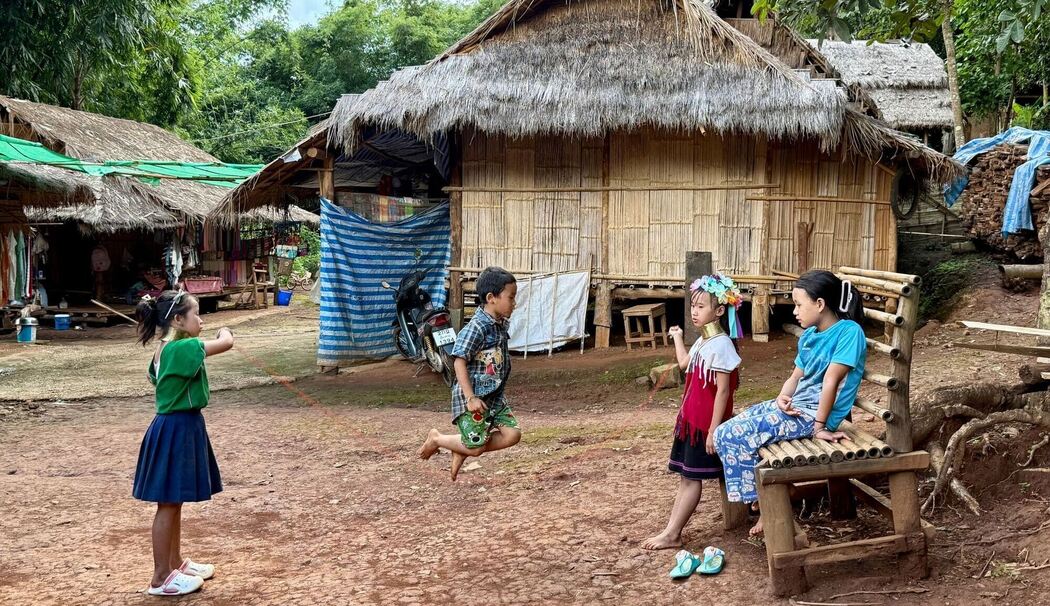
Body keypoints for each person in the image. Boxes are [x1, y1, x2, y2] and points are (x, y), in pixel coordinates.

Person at [714, 270, 865, 536]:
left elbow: (831, 382)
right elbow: (796, 377)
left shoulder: (849, 333)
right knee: (726, 430)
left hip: (810, 417)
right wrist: (783, 398)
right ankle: (777, 496)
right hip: (795, 409)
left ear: (820, 304)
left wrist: (819, 426)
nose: (794, 311)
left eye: (798, 304)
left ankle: (765, 506)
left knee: (731, 434)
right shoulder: (809, 336)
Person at [133, 290, 235, 596]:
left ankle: (174, 564)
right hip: (176, 428)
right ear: (178, 319)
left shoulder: (163, 349)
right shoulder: (185, 347)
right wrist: (225, 331)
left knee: (172, 500)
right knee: (167, 502)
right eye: (196, 314)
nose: (201, 320)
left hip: (176, 426)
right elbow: (226, 342)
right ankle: (161, 577)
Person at [642, 274, 743, 550]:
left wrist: (713, 431)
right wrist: (676, 337)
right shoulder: (704, 340)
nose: (694, 311)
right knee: (687, 477)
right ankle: (671, 531)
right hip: (691, 422)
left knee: (691, 479)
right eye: (693, 306)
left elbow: (724, 392)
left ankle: (673, 533)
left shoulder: (722, 345)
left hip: (704, 427)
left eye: (701, 306)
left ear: (720, 310)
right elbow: (685, 364)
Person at [419, 267, 522, 481]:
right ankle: (438, 439)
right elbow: (458, 362)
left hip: (493, 397)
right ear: (491, 298)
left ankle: (462, 448)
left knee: (513, 435)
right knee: (475, 449)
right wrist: (470, 397)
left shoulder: (499, 324)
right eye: (511, 297)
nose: (514, 303)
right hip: (473, 398)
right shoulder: (477, 327)